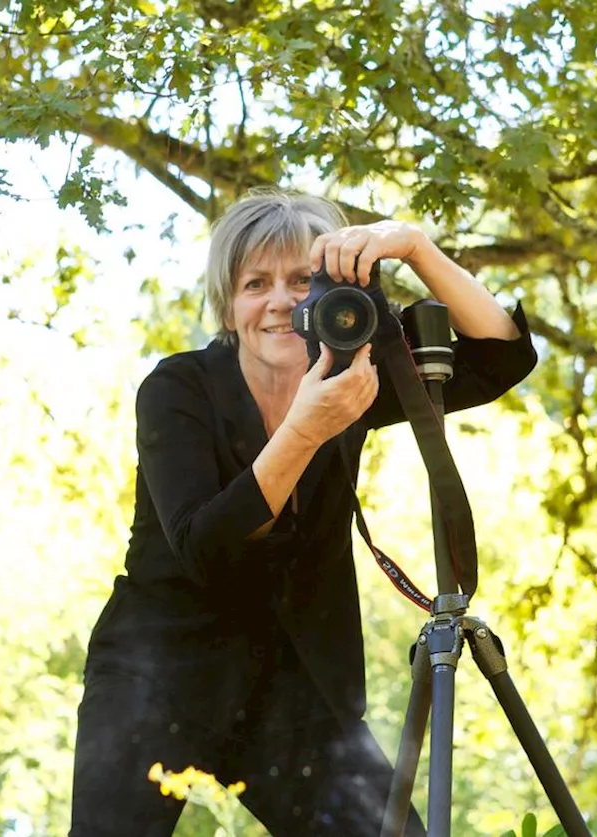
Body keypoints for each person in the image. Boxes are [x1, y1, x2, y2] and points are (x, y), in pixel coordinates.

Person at [68, 189, 537, 837]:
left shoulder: (354, 376)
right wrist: (307, 428)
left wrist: (415, 247)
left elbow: (504, 354)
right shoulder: (177, 389)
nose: (279, 300)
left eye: (300, 280)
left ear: (331, 301)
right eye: (255, 282)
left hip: (298, 686)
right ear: (228, 305)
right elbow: (206, 545)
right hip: (158, 676)